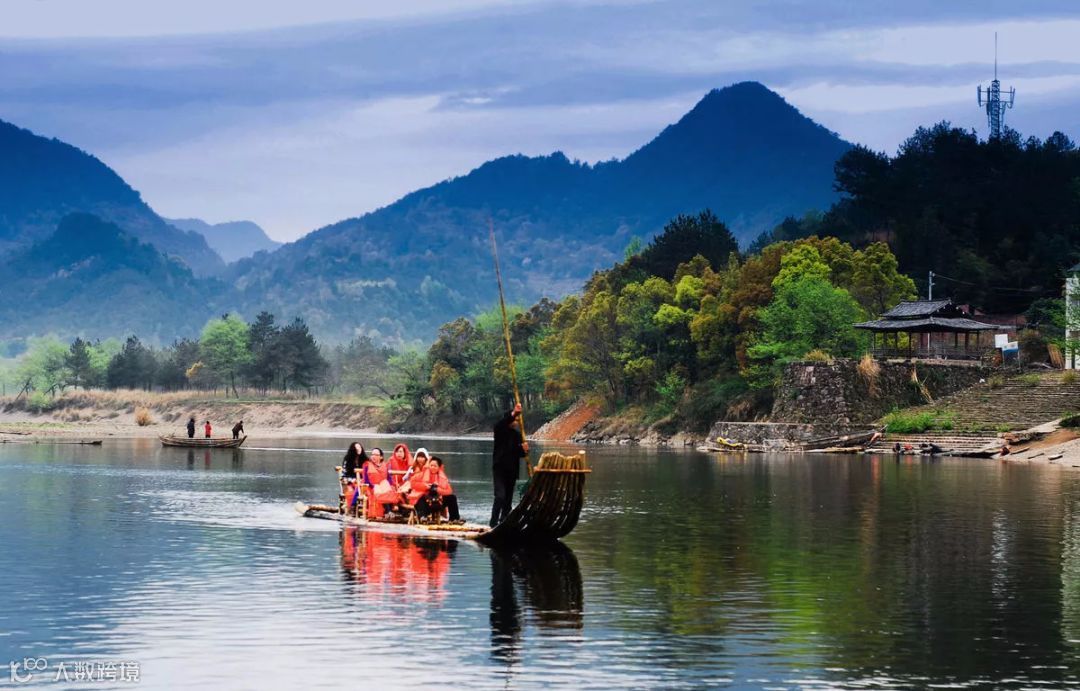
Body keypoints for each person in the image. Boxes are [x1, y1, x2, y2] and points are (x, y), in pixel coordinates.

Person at [490, 402, 528, 528]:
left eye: (517, 419)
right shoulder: (499, 430)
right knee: (500, 496)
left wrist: (525, 450)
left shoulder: (517, 435)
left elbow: (520, 454)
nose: (516, 421)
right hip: (500, 469)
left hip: (512, 470)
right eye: (514, 419)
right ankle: (493, 522)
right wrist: (514, 413)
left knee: (508, 500)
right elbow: (502, 423)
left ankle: (503, 521)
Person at [409, 455, 461, 523]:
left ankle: (454, 518)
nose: (432, 467)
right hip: (426, 502)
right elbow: (412, 483)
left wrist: (437, 489)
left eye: (435, 466)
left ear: (439, 467)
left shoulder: (442, 477)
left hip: (438, 501)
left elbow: (449, 491)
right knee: (420, 498)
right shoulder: (422, 474)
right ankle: (423, 517)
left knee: (452, 498)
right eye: (431, 465)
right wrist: (425, 486)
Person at [362, 447, 400, 518]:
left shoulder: (385, 465)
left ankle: (389, 511)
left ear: (381, 457)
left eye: (376, 455)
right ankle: (388, 511)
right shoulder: (367, 465)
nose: (373, 456)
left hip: (383, 485)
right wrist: (373, 486)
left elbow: (388, 478)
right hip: (371, 486)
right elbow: (366, 480)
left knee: (388, 488)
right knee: (380, 490)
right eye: (372, 454)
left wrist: (392, 485)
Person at [339, 442, 366, 515]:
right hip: (348, 482)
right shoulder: (347, 460)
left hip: (360, 482)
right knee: (351, 493)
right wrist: (352, 480)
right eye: (356, 448)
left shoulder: (365, 459)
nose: (358, 450)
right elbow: (344, 475)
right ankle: (351, 509)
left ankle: (362, 509)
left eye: (360, 448)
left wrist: (361, 480)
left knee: (364, 490)